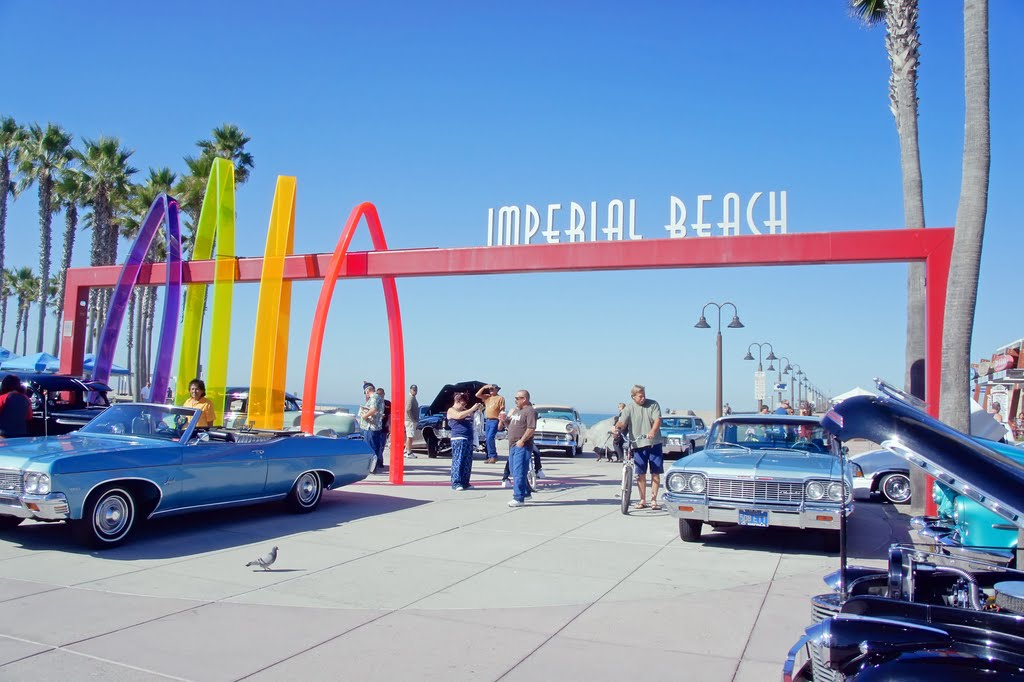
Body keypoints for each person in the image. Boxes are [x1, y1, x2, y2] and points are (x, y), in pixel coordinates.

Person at [614, 384, 664, 510]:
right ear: (633, 397)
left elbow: (657, 420)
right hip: (638, 444)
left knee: (655, 472)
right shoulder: (629, 408)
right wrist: (617, 428)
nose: (643, 398)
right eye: (640, 396)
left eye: (644, 396)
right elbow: (622, 421)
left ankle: (654, 500)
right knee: (640, 473)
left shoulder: (653, 404)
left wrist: (652, 431)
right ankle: (643, 500)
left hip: (654, 442)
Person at [502, 389, 537, 507]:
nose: (515, 400)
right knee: (513, 470)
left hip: (522, 445)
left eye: (517, 398)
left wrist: (522, 440)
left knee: (518, 471)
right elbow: (511, 425)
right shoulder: (517, 411)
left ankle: (518, 498)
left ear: (524, 399)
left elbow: (531, 428)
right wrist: (504, 420)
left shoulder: (530, 411)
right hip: (512, 445)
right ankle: (526, 492)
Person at [447, 391, 483, 490]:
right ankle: (456, 482)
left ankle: (465, 482)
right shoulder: (451, 410)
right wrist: (471, 409)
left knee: (467, 462)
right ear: (457, 401)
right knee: (458, 461)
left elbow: (472, 417)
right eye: (463, 403)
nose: (464, 406)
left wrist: (477, 410)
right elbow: (459, 416)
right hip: (459, 438)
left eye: (465, 404)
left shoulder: (465, 410)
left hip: (468, 438)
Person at [359, 382, 385, 474]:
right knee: (375, 446)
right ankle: (374, 466)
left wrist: (364, 416)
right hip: (376, 426)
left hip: (371, 426)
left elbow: (373, 409)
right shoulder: (379, 397)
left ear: (367, 391)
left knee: (370, 447)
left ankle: (372, 468)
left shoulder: (374, 397)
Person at [475, 383, 505, 464]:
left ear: (497, 390)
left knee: (490, 438)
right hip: (488, 420)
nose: (491, 390)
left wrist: (501, 422)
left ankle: (493, 456)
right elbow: (477, 394)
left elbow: (502, 411)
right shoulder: (487, 397)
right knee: (487, 439)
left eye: (493, 389)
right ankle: (490, 456)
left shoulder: (500, 398)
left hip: (495, 420)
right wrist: (484, 387)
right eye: (490, 389)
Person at [404, 384, 419, 458]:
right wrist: (412, 419)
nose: (415, 391)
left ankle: (406, 451)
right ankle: (408, 452)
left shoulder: (412, 397)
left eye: (416, 390)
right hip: (410, 421)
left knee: (410, 436)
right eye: (413, 390)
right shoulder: (410, 398)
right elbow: (408, 409)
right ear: (410, 390)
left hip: (410, 420)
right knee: (410, 436)